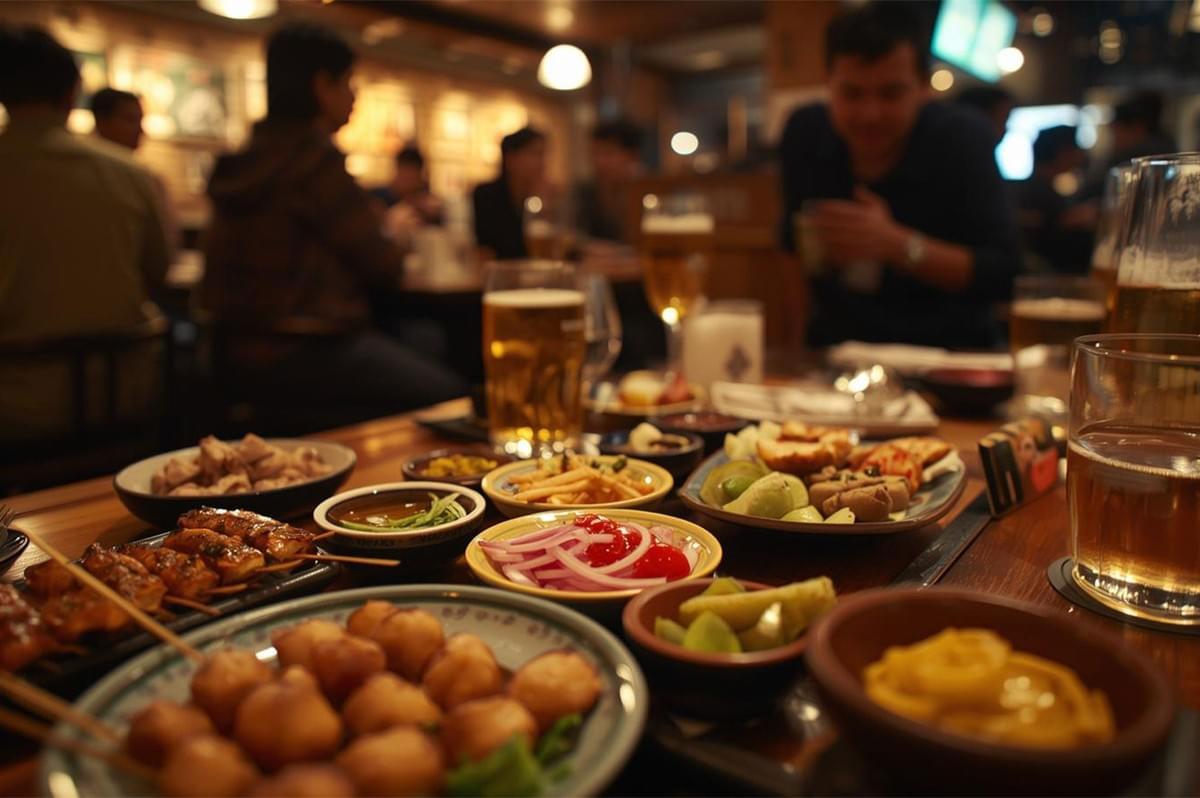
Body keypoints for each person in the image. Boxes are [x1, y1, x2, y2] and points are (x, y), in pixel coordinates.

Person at [202, 22, 464, 418]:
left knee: (421, 339)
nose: (354, 97)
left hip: (232, 353)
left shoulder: (246, 160)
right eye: (348, 82)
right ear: (322, 86)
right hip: (310, 350)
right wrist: (391, 232)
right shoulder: (314, 163)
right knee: (453, 401)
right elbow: (383, 267)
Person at [778, 2, 1021, 348]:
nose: (870, 113)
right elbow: (791, 246)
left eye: (890, 93)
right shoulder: (805, 132)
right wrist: (796, 345)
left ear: (923, 87)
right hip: (837, 354)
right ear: (828, 83)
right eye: (851, 93)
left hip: (950, 356)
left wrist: (897, 245)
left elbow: (1004, 274)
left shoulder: (962, 136)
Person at [0, 26, 170, 441]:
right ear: (73, 92)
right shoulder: (128, 173)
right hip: (123, 389)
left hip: (14, 399)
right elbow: (158, 271)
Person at [1016, 126, 1092, 274]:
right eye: (1076, 147)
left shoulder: (1034, 187)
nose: (1081, 154)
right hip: (1052, 279)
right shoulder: (1038, 192)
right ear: (1062, 152)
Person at [472, 126, 547, 261]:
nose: (542, 163)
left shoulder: (541, 197)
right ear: (510, 159)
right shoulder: (486, 196)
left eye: (543, 155)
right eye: (534, 154)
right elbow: (484, 251)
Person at [575, 118, 642, 244]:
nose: (599, 162)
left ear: (633, 156)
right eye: (595, 153)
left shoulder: (647, 192)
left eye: (608, 153)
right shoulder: (584, 192)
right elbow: (571, 237)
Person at [369, 144, 444, 227]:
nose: (406, 180)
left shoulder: (426, 201)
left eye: (411, 176)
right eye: (404, 174)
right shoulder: (378, 197)